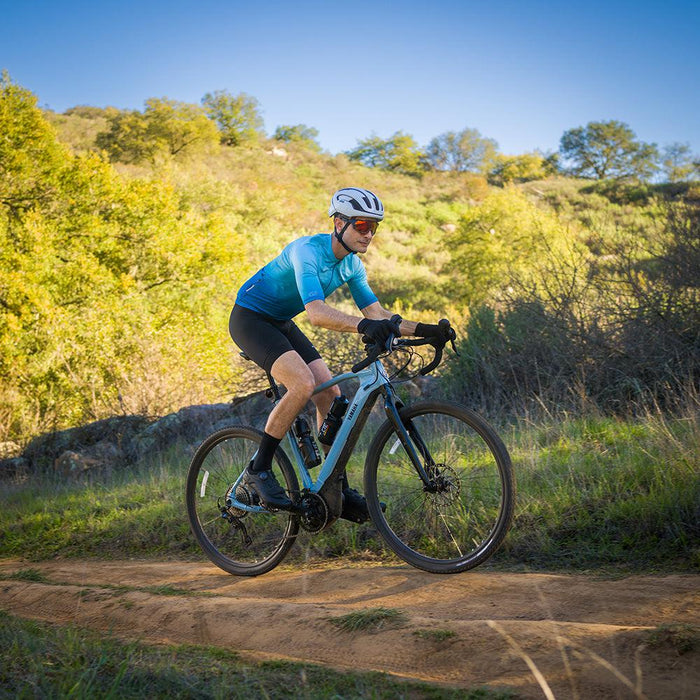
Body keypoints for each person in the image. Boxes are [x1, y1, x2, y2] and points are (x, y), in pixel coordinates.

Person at [229, 187, 452, 520]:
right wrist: (363, 327)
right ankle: (258, 470)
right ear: (339, 223)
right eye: (362, 225)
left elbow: (377, 313)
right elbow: (317, 313)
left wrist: (425, 330)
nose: (369, 234)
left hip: (281, 322)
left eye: (375, 227)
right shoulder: (308, 251)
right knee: (302, 384)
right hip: (250, 318)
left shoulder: (351, 266)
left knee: (331, 398)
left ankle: (335, 489)